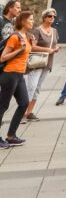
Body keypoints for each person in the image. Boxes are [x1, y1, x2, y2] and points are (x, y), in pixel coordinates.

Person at [0, 9, 34, 147]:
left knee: (24, 103)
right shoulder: (15, 37)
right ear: (23, 21)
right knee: (2, 106)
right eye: (30, 19)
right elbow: (3, 57)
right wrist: (19, 50)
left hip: (19, 74)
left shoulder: (26, 36)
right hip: (10, 74)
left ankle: (11, 135)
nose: (32, 21)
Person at [24, 8, 60, 120]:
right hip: (36, 62)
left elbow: (54, 45)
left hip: (47, 62)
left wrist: (55, 49)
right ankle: (22, 111)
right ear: (44, 17)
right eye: (50, 16)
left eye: (54, 16)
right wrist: (47, 50)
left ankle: (29, 112)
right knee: (32, 87)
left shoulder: (54, 31)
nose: (52, 18)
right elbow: (32, 47)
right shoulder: (37, 30)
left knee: (38, 88)